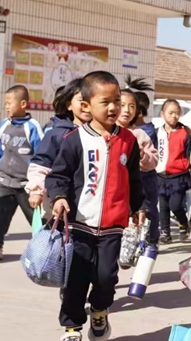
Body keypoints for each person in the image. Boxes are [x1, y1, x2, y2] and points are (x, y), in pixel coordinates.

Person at [46, 71, 146, 341]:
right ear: (86, 105)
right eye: (106, 102)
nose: (114, 107)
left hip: (113, 227)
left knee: (106, 278)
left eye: (117, 101)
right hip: (79, 225)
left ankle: (100, 310)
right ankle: (72, 327)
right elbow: (58, 176)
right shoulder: (74, 139)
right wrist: (59, 197)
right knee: (75, 280)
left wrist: (138, 207)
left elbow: (134, 180)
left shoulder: (129, 141)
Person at [27, 79, 92, 214]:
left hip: (92, 206)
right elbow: (41, 164)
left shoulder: (104, 136)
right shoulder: (56, 134)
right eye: (81, 101)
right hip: (61, 204)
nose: (86, 106)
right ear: (69, 105)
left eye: (91, 101)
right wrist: (36, 191)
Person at [0, 85, 44, 260]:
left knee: (38, 223)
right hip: (4, 182)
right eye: (5, 103)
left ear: (23, 104)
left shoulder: (32, 127)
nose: (7, 106)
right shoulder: (4, 125)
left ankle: (43, 252)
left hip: (26, 186)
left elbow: (42, 155)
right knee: (0, 218)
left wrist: (37, 187)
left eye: (9, 103)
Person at [155, 99, 191, 243]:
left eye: (177, 113)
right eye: (170, 113)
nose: (174, 116)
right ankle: (165, 232)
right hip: (160, 175)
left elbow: (190, 154)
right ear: (162, 114)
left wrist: (189, 169)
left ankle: (183, 223)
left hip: (179, 176)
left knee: (175, 205)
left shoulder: (185, 133)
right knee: (163, 206)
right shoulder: (157, 132)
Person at [128, 80, 161, 244]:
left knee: (148, 210)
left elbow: (153, 159)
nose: (126, 111)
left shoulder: (144, 133)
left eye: (131, 106)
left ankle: (150, 240)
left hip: (144, 177)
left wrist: (141, 155)